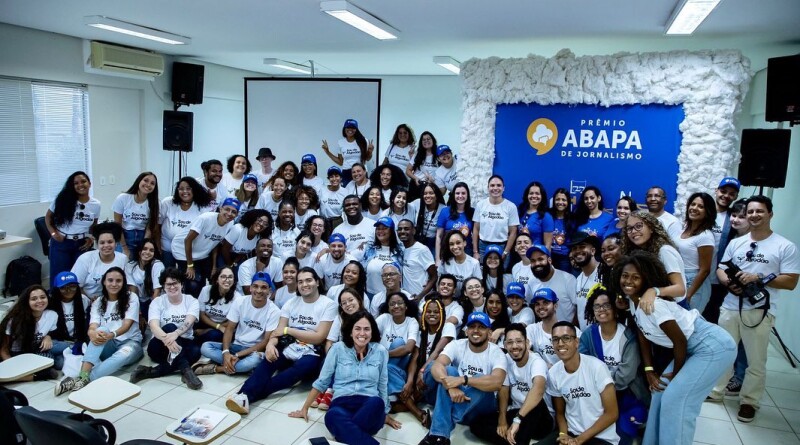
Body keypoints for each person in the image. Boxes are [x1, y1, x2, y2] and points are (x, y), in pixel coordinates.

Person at [614, 252, 736, 444]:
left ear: (646, 280)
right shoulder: (633, 300)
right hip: (691, 348)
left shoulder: (655, 305)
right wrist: (648, 370)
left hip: (713, 346)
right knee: (659, 392)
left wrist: (677, 374)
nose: (628, 281)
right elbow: (642, 333)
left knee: (677, 401)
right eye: (625, 275)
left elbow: (680, 341)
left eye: (636, 277)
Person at [707, 196, 799, 423]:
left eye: (760, 211)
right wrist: (730, 284)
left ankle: (749, 401)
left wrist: (759, 278)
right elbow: (720, 268)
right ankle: (717, 391)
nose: (754, 215)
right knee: (724, 353)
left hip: (760, 310)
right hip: (730, 307)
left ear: (770, 214)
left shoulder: (784, 246)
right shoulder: (737, 242)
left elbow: (790, 281)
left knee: (755, 361)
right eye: (750, 211)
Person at [226, 268, 337, 414]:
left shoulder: (328, 304)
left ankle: (246, 396)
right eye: (300, 282)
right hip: (289, 345)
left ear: (317, 282)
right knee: (269, 359)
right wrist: (271, 345)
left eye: (309, 280)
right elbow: (278, 331)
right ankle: (244, 395)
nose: (304, 284)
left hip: (313, 351)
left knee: (302, 367)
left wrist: (289, 330)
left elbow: (319, 337)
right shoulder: (291, 303)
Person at [289, 310, 401, 445]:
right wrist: (304, 408)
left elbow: (383, 384)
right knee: (331, 415)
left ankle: (347, 433)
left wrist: (385, 414)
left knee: (377, 403)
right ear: (350, 331)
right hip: (342, 404)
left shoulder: (380, 351)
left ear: (372, 332)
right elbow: (322, 381)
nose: (362, 333)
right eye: (357, 328)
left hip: (369, 405)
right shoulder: (337, 349)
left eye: (367, 329)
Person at [419, 312, 507, 445]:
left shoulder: (497, 352)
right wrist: (450, 386)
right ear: (466, 331)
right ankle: (439, 436)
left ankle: (438, 429)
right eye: (472, 327)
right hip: (455, 399)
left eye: (481, 327)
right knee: (448, 370)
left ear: (489, 333)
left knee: (481, 380)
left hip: (480, 408)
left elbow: (497, 382)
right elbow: (437, 365)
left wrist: (463, 380)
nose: (476, 331)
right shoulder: (457, 345)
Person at [579, 285, 649, 445]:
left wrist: (602, 391)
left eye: (606, 305)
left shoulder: (628, 336)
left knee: (621, 436)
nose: (601, 309)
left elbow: (626, 376)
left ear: (616, 309)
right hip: (597, 397)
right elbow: (583, 365)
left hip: (627, 396)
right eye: (597, 306)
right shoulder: (589, 334)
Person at [55, 267, 143, 394]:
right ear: (104, 282)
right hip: (107, 344)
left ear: (123, 282)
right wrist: (92, 333)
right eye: (110, 280)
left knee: (123, 353)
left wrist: (111, 335)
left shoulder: (131, 297)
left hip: (130, 343)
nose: (114, 284)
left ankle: (83, 378)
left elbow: (127, 325)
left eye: (118, 281)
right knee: (100, 330)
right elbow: (93, 325)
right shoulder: (98, 302)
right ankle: (84, 375)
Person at [470, 324, 553, 445]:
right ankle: (513, 441)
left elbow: (538, 390)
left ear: (527, 342)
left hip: (540, 420)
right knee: (476, 423)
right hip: (516, 413)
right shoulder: (505, 359)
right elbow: (504, 388)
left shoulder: (537, 362)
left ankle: (518, 440)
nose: (514, 346)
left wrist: (517, 420)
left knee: (536, 401)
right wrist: (502, 419)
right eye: (510, 342)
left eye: (519, 341)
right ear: (504, 345)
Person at [539, 321, 619, 445]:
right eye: (555, 339)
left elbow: (612, 414)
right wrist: (563, 435)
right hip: (571, 433)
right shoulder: (554, 372)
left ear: (576, 342)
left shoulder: (597, 368)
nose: (560, 343)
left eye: (566, 338)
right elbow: (560, 413)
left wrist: (578, 440)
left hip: (601, 437)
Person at [194, 272, 281, 376]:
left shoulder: (274, 311)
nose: (259, 290)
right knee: (205, 347)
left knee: (255, 360)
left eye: (263, 287)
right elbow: (229, 329)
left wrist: (237, 355)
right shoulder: (240, 302)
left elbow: (265, 342)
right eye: (255, 286)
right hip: (236, 345)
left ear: (269, 291)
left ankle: (217, 368)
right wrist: (226, 352)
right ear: (250, 288)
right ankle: (237, 366)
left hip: (254, 351)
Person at [130, 268, 203, 390]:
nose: (172, 287)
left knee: (195, 351)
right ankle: (187, 372)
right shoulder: (157, 302)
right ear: (163, 287)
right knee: (169, 326)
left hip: (183, 343)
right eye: (168, 284)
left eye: (175, 283)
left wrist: (176, 334)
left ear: (181, 284)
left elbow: (189, 322)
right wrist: (167, 340)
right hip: (159, 346)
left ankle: (150, 372)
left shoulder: (191, 301)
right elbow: (153, 325)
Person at [172, 197, 240, 297]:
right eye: (227, 209)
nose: (229, 214)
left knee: (208, 281)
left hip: (202, 254)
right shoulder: (206, 218)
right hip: (182, 251)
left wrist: (214, 266)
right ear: (220, 209)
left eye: (234, 212)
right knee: (193, 284)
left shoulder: (230, 224)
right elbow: (188, 240)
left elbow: (215, 243)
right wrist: (190, 266)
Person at [621, 211, 687, 307]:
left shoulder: (664, 251)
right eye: (629, 228)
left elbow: (680, 289)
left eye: (638, 226)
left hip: (676, 307)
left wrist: (654, 291)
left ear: (651, 228)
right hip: (657, 306)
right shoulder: (638, 252)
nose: (634, 231)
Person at [45, 171, 100, 284]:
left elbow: (94, 225)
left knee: (80, 278)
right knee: (60, 278)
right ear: (72, 186)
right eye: (76, 183)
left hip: (82, 244)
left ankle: (79, 300)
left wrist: (91, 238)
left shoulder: (96, 204)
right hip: (61, 243)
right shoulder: (62, 200)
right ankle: (56, 301)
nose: (80, 185)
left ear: (90, 184)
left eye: (83, 181)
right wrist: (54, 234)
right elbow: (48, 218)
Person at [0, 285, 59, 381]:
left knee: (64, 347)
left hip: (36, 349)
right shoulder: (14, 320)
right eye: (34, 299)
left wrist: (47, 336)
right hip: (17, 355)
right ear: (27, 302)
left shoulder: (52, 315)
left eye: (43, 297)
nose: (39, 301)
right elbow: (3, 350)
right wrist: (12, 366)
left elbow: (51, 331)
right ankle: (35, 376)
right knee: (52, 360)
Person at [705, 177, 741, 323]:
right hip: (696, 277)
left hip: (717, 281)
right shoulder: (702, 211)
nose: (726, 196)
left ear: (736, 197)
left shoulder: (734, 219)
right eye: (723, 191)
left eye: (731, 193)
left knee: (712, 319)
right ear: (716, 191)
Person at [376, 292, 420, 413]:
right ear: (388, 307)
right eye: (392, 304)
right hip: (382, 366)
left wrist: (383, 354)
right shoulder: (384, 318)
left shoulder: (412, 322)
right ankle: (408, 403)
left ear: (406, 306)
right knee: (387, 366)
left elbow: (408, 348)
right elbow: (370, 334)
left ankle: (394, 397)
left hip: (400, 368)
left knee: (399, 342)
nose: (396, 306)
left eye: (400, 303)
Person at [159, 176, 213, 268]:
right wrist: (158, 246)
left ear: (194, 190)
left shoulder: (204, 207)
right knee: (168, 278)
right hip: (166, 249)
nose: (185, 192)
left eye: (188, 189)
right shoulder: (167, 202)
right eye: (181, 189)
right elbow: (157, 225)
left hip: (189, 252)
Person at [675, 192, 716, 312]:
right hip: (680, 278)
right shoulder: (683, 231)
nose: (694, 208)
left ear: (707, 211)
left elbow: (705, 270)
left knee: (689, 324)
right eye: (693, 204)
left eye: (700, 206)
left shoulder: (705, 236)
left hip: (694, 284)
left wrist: (689, 294)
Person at [416, 298, 457, 415]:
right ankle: (414, 398)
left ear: (442, 314)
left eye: (436, 312)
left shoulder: (448, 327)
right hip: (424, 385)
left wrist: (422, 370)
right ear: (423, 313)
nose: (432, 314)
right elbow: (415, 358)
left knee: (434, 365)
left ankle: (413, 400)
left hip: (440, 385)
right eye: (428, 311)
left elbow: (437, 351)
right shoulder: (421, 332)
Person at [72, 222, 129, 301]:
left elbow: (128, 285)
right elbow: (75, 285)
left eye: (110, 242)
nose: (106, 246)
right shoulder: (85, 259)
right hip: (88, 300)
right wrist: (90, 300)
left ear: (116, 243)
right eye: (102, 243)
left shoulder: (123, 259)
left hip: (115, 300)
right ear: (97, 244)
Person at [527, 288, 580, 367]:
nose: (541, 307)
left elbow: (582, 355)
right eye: (537, 304)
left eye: (545, 303)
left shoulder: (571, 329)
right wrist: (544, 365)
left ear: (555, 306)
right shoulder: (532, 329)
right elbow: (524, 350)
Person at [473, 175, 519, 266]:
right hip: (483, 246)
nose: (495, 188)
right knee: (483, 274)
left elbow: (513, 232)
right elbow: (475, 229)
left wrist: (506, 252)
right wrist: (475, 251)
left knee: (501, 275)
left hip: (502, 247)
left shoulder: (511, 207)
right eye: (492, 185)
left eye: (498, 185)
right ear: (488, 188)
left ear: (503, 188)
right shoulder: (480, 205)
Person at [112, 171, 159, 259]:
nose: (148, 184)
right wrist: (124, 248)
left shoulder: (153, 203)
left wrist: (144, 247)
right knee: (124, 264)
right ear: (139, 181)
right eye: (146, 180)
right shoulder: (123, 198)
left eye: (152, 183)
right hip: (124, 237)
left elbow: (149, 228)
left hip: (142, 237)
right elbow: (117, 226)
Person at [526, 244, 578, 323]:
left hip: (567, 332)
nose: (537, 264)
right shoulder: (531, 282)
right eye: (533, 261)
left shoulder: (568, 279)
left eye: (540, 259)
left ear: (549, 260)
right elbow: (531, 305)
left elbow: (578, 307)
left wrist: (571, 329)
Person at [47, 272, 90, 369]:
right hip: (58, 341)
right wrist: (47, 336)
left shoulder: (83, 300)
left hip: (77, 339)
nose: (68, 290)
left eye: (72, 286)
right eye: (63, 288)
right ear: (57, 289)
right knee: (60, 359)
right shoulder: (50, 302)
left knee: (62, 363)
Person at [195, 267, 241, 344]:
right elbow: (201, 315)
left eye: (230, 277)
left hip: (225, 326)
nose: (227, 280)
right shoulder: (206, 290)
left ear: (234, 280)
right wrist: (218, 326)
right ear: (217, 279)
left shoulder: (238, 298)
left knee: (212, 335)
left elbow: (232, 321)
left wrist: (209, 330)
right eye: (223, 276)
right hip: (206, 321)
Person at [322, 118, 374, 185]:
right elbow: (340, 162)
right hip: (347, 172)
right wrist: (327, 152)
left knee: (362, 193)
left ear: (356, 129)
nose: (350, 130)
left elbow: (367, 158)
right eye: (348, 127)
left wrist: (370, 151)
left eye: (353, 128)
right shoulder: (340, 142)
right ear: (344, 129)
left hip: (360, 171)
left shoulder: (363, 141)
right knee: (347, 193)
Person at [124, 238, 164, 325]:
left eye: (151, 250)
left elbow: (157, 292)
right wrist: (139, 313)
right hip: (138, 301)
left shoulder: (157, 265)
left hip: (154, 301)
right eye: (144, 249)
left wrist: (152, 313)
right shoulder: (130, 266)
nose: (147, 252)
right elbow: (133, 290)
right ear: (139, 251)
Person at [362, 216, 404, 299]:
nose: (380, 231)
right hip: (371, 295)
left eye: (384, 228)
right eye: (378, 228)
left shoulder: (401, 250)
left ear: (391, 231)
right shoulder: (369, 248)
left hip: (394, 296)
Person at [398, 219, 437, 301]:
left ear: (414, 231)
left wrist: (420, 296)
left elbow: (434, 276)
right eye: (400, 229)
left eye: (406, 229)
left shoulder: (422, 249)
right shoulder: (401, 249)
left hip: (420, 299)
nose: (402, 231)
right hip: (407, 298)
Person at [436, 182, 475, 265]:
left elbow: (476, 234)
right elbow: (438, 236)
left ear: (467, 195)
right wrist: (437, 259)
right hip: (448, 251)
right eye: (457, 193)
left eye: (463, 193)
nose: (460, 196)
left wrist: (475, 252)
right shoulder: (445, 211)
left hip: (467, 252)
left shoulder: (472, 212)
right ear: (453, 195)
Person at [570, 233, 602, 330]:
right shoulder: (579, 278)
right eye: (575, 248)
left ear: (593, 251)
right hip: (586, 336)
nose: (578, 251)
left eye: (582, 247)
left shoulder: (605, 272)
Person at [439, 230, 482, 295]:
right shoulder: (444, 261)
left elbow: (478, 287)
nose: (455, 247)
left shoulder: (474, 263)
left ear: (464, 243)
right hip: (448, 298)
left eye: (458, 243)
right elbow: (439, 284)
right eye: (451, 244)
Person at [335, 195, 376, 259]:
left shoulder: (374, 225)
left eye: (354, 204)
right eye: (347, 205)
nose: (351, 207)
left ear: (361, 206)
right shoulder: (338, 230)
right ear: (343, 209)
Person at [518, 181, 554, 249]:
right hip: (519, 254)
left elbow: (548, 246)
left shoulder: (546, 217)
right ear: (527, 195)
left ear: (542, 196)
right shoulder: (521, 212)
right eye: (531, 193)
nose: (534, 196)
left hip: (535, 255)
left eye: (537, 193)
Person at [549, 187, 577, 273]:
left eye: (564, 200)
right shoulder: (548, 216)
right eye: (557, 199)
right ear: (553, 201)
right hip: (550, 255)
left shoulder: (573, 219)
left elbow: (574, 240)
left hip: (565, 258)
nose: (560, 202)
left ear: (568, 202)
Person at [414, 182, 446, 252]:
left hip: (434, 242)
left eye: (431, 193)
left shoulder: (444, 209)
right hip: (419, 240)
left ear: (436, 195)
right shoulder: (417, 203)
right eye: (425, 193)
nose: (428, 196)